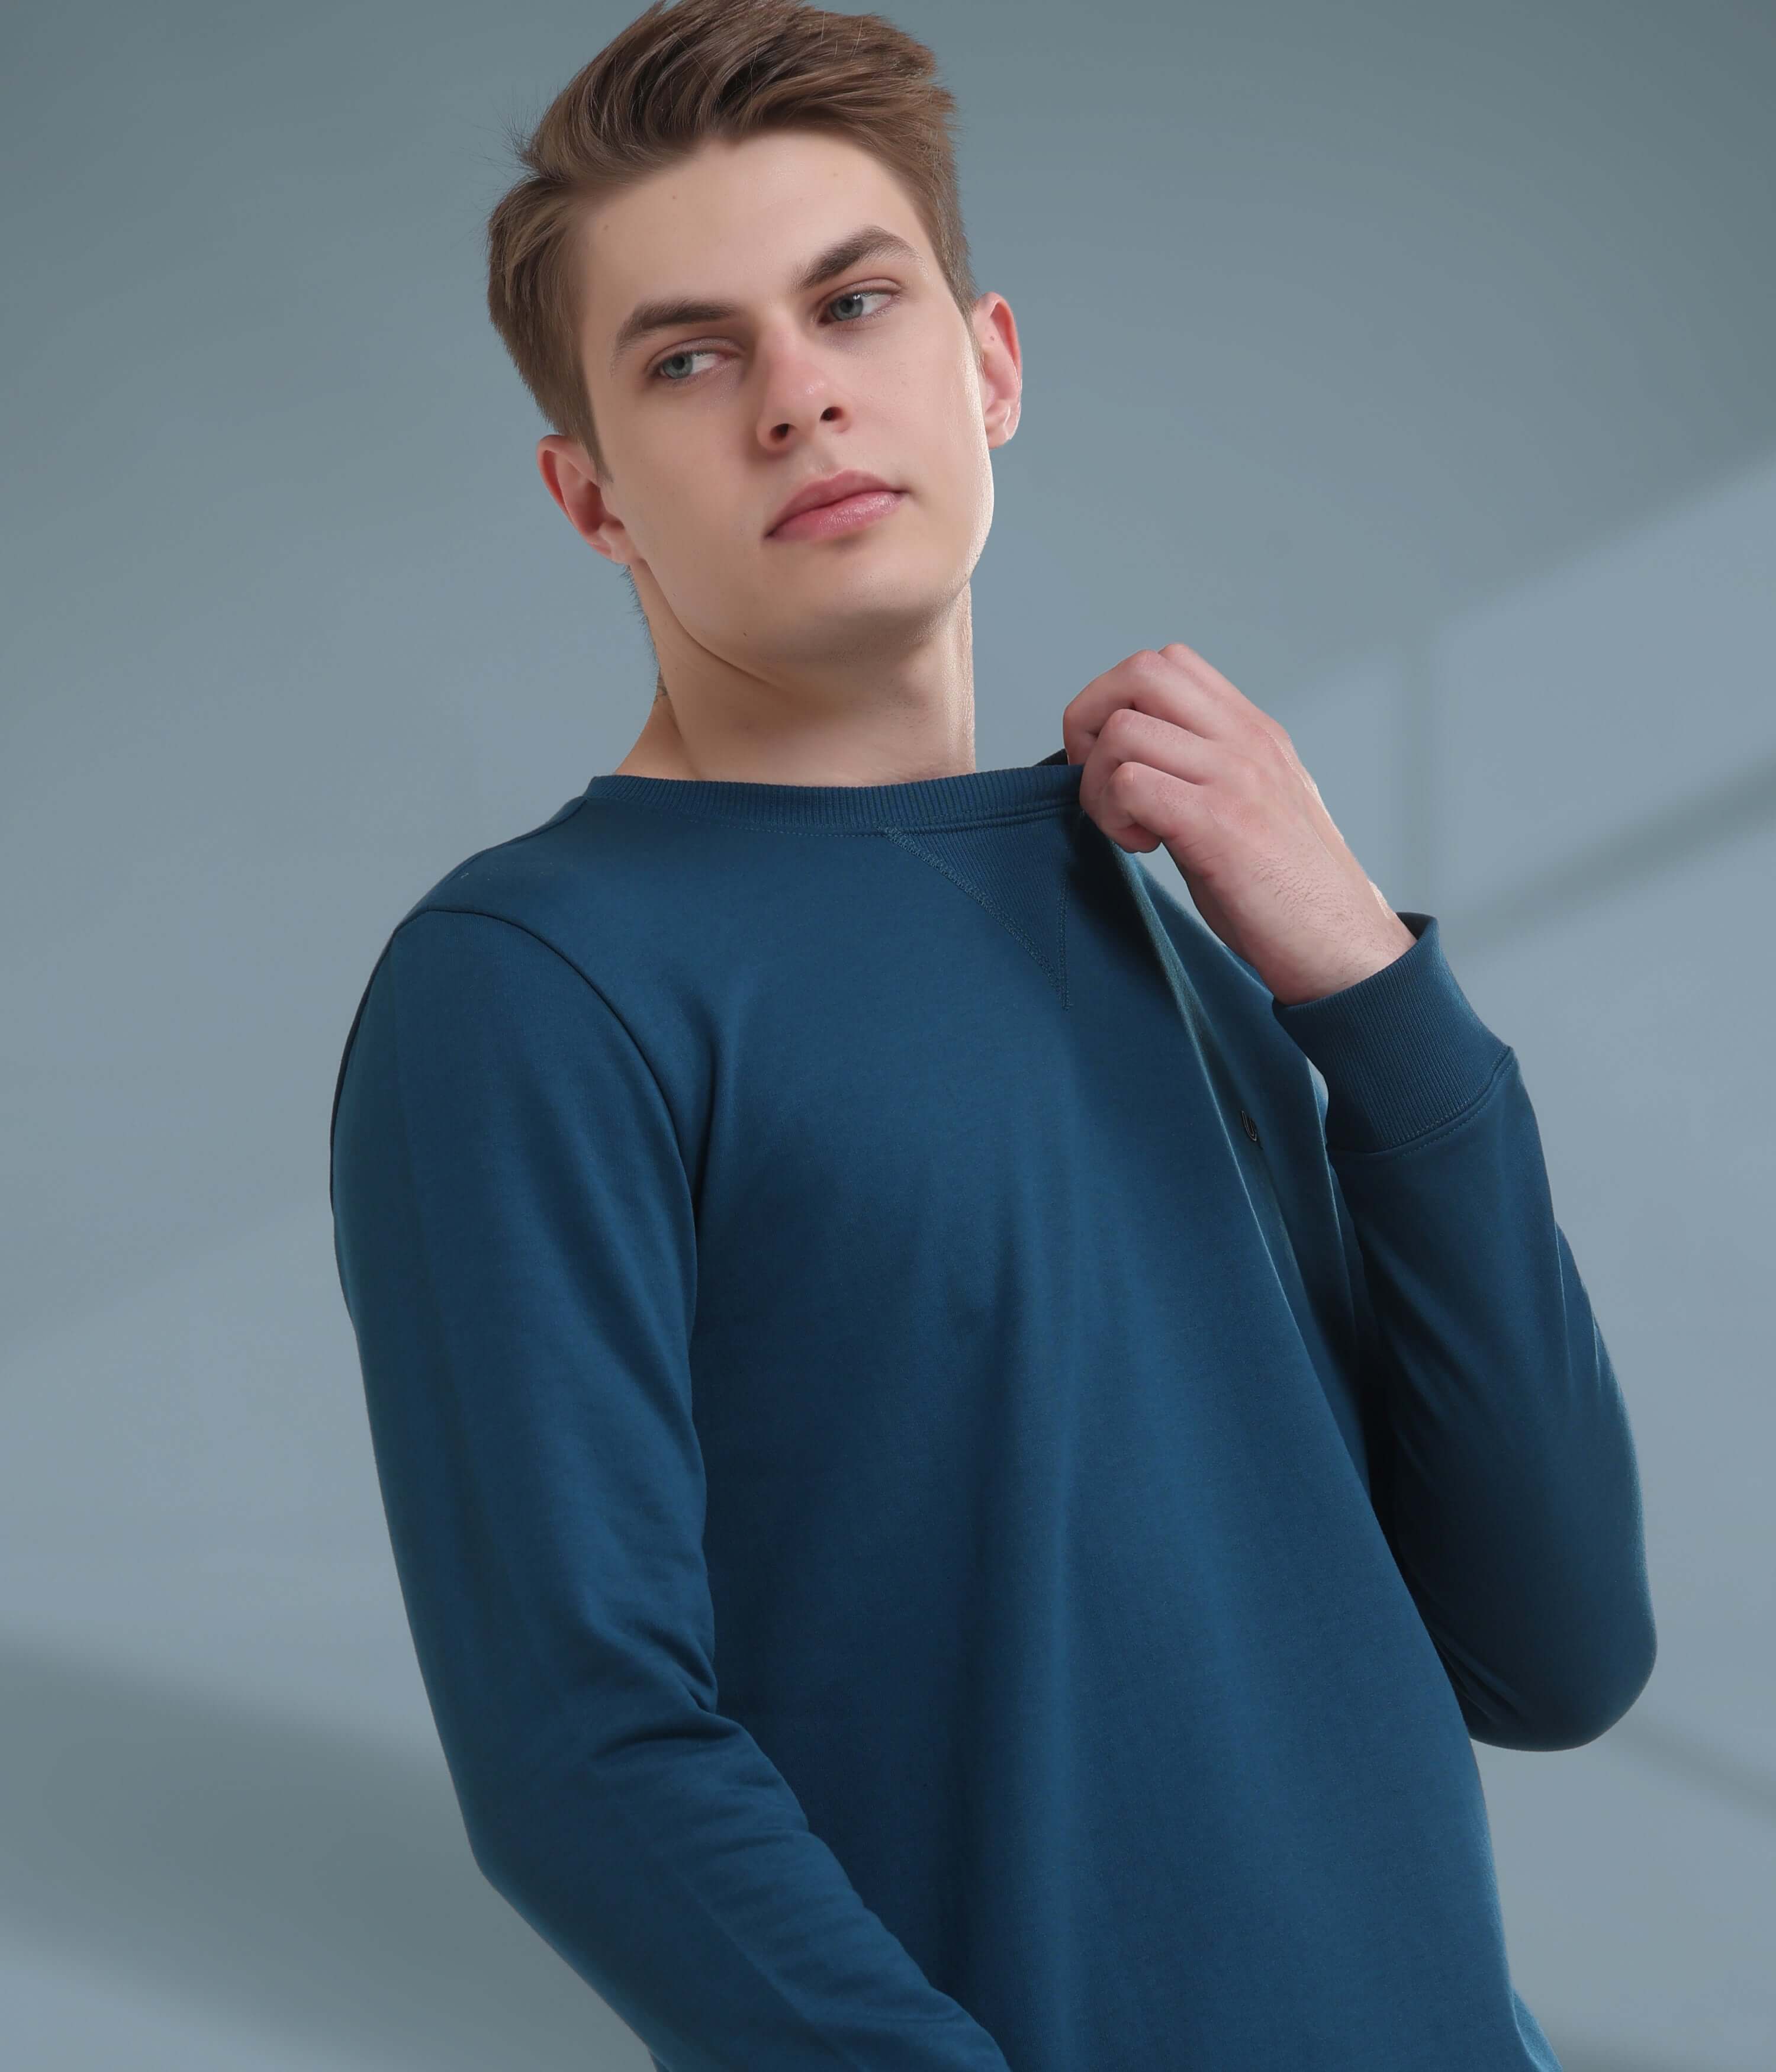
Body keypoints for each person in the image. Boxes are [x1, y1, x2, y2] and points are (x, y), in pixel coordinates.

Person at [327, 2, 1656, 2067]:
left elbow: (1556, 1647)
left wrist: (1375, 1002)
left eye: (854, 303)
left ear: (992, 363)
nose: (798, 398)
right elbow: (585, 1756)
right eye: (691, 356)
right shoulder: (529, 986)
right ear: (591, 498)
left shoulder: (1187, 929)